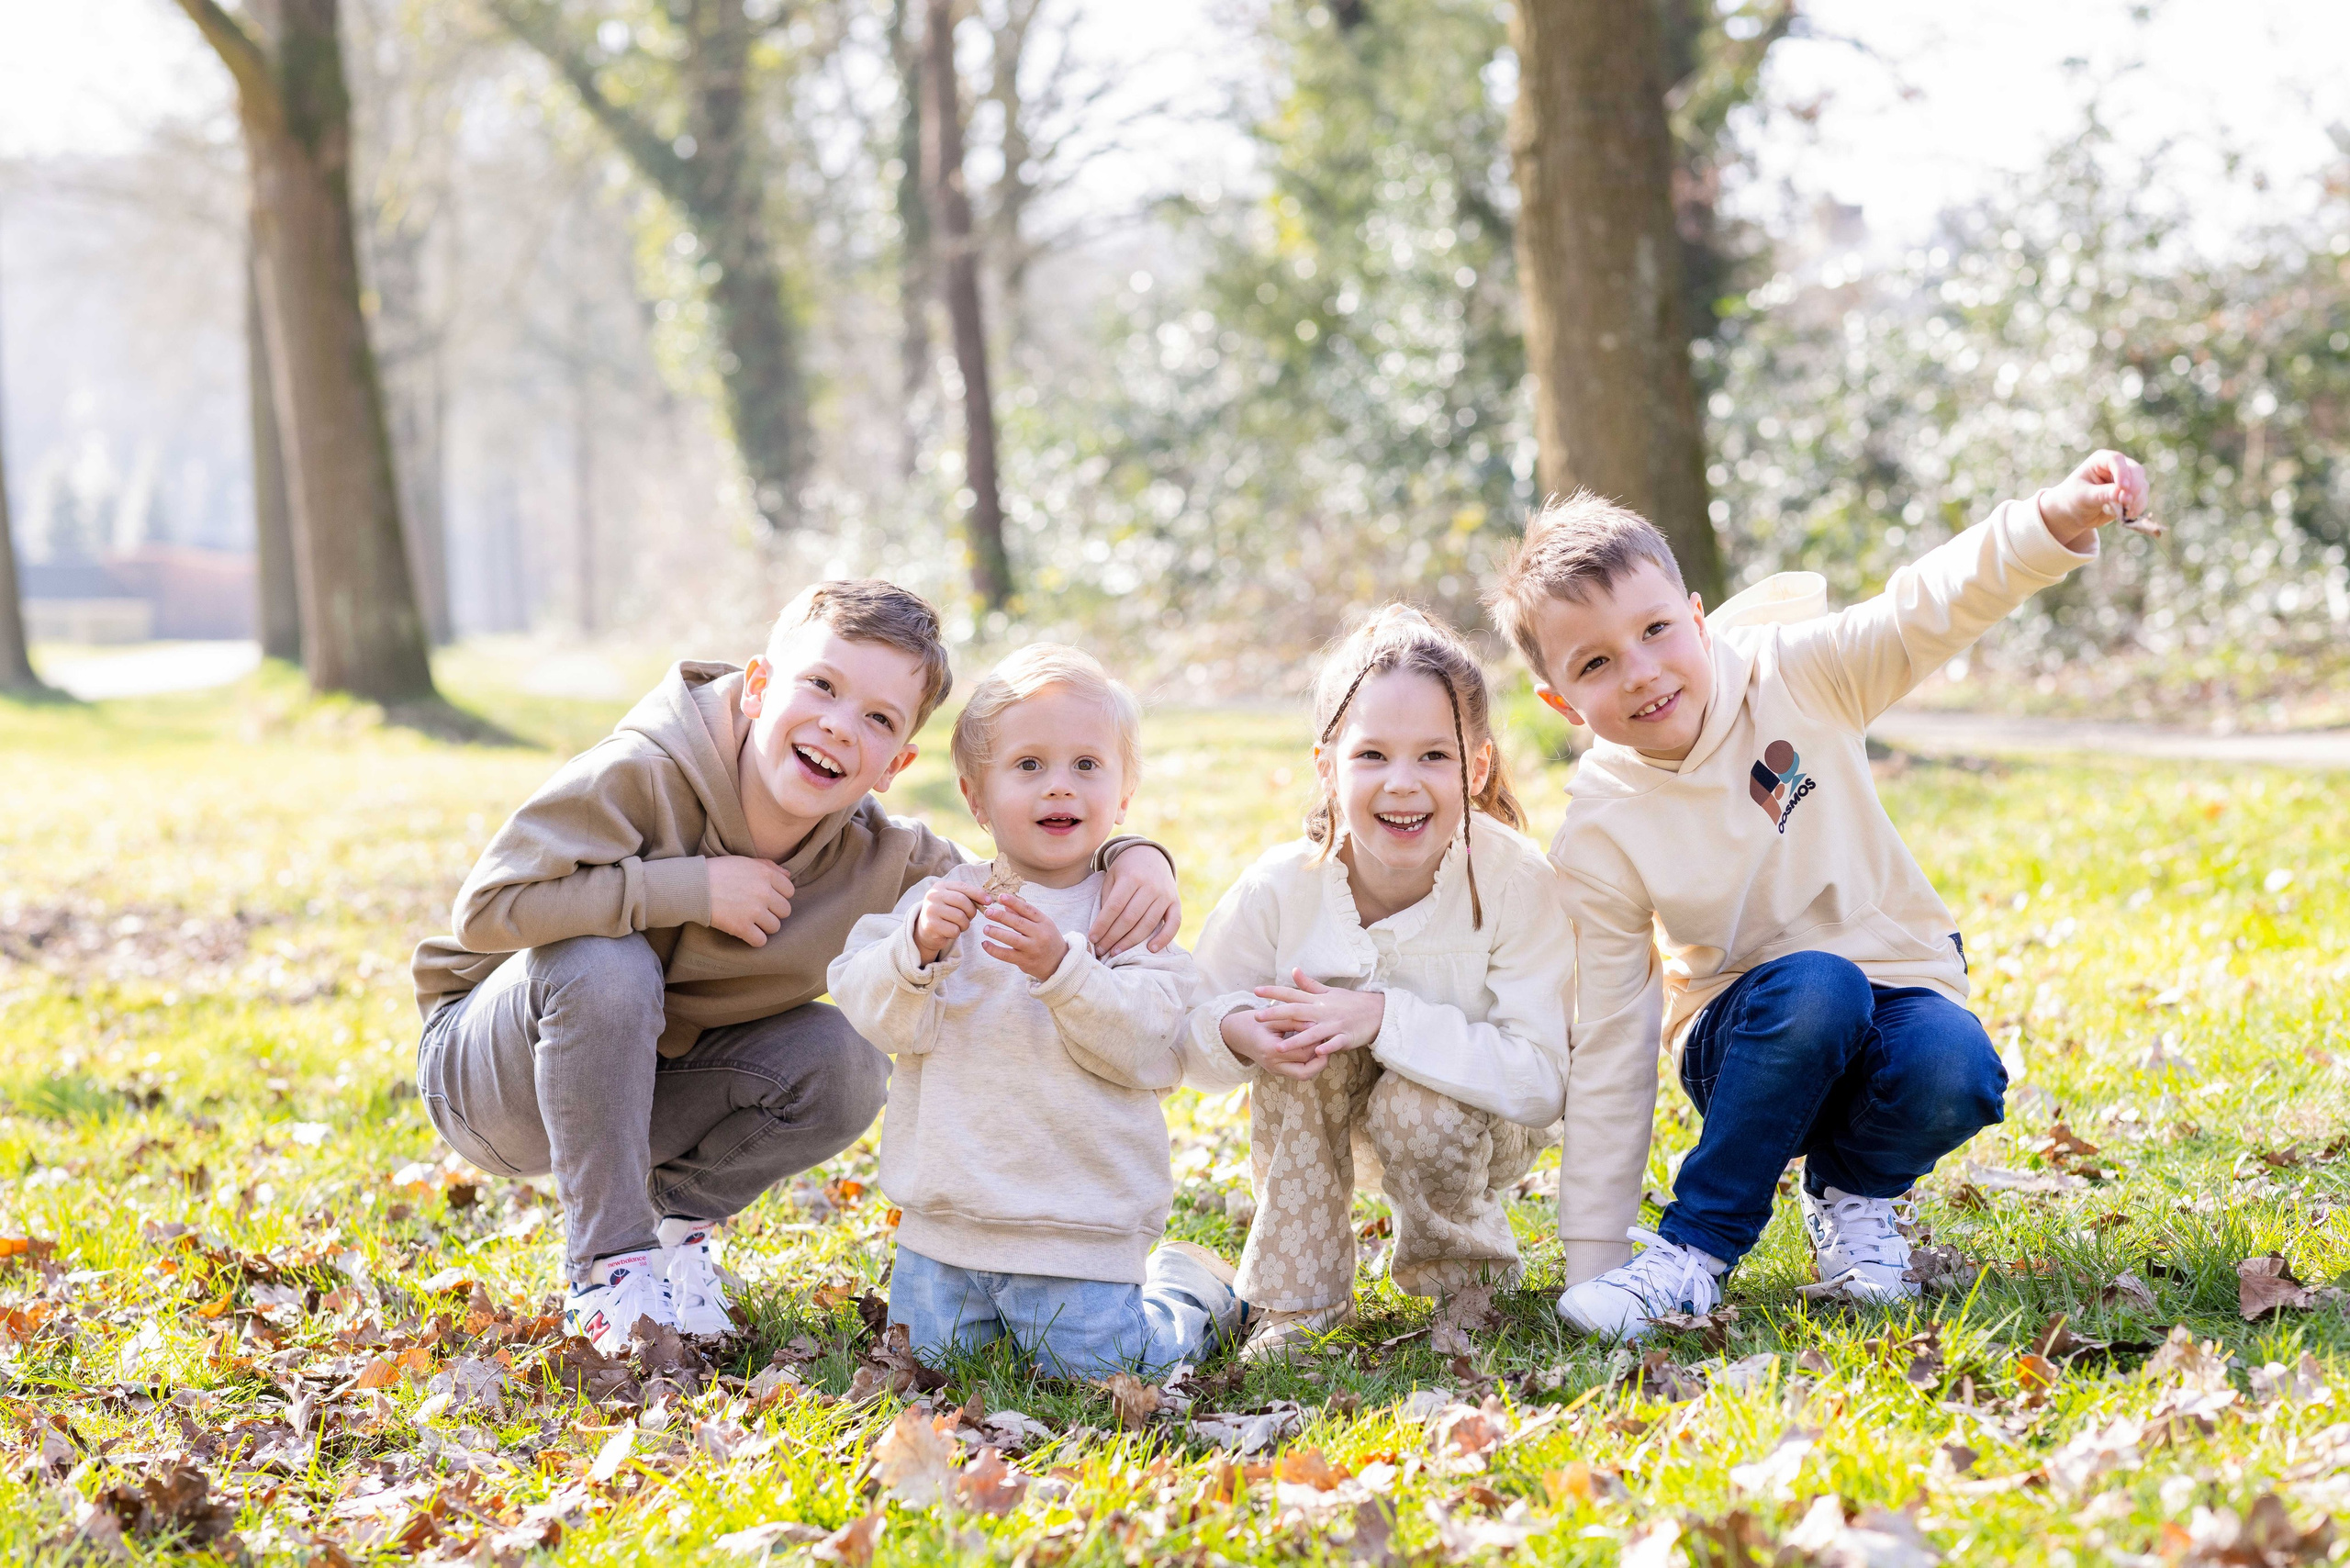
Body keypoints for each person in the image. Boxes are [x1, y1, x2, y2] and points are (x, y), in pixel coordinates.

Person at [409, 583, 1182, 1352]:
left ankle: (675, 1237)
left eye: (877, 719)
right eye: (821, 685)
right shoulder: (642, 769)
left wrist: (1131, 854)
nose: (840, 727)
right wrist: (686, 890)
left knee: (845, 1055)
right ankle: (611, 1270)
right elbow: (486, 909)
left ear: (895, 761)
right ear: (756, 688)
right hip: (494, 1079)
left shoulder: (880, 859)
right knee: (604, 962)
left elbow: (1015, 866)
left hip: (643, 1093)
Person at [1487, 451, 2153, 1338]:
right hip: (1744, 1034)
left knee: (1958, 1067)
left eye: (1655, 632)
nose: (1642, 672)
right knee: (1817, 985)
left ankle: (1855, 1192)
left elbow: (1928, 609)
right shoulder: (1599, 830)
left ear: (1697, 617)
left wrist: (2055, 519)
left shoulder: (1799, 675)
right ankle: (1693, 1254)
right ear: (1561, 702)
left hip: (1895, 986)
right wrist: (1595, 1253)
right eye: (1597, 663)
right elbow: (1612, 1038)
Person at [829, 644, 1244, 1376]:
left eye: (1087, 765)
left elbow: (1155, 1048)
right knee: (926, 1369)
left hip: (1075, 1234)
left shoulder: (1124, 913)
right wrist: (916, 949)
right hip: (944, 1236)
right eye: (1029, 766)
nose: (1060, 788)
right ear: (977, 797)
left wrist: (1063, 971)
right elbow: (872, 1009)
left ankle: (1189, 1292)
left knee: (1113, 1374)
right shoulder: (944, 903)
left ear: (1123, 794)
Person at [1185, 606, 1575, 1361]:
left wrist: (1383, 1016)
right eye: (1373, 756)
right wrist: (1237, 1030)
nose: (1404, 784)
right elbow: (1188, 1038)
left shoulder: (1514, 883)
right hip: (1323, 1124)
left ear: (1480, 767)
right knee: (1304, 1039)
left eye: (1435, 755)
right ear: (1327, 767)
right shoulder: (1279, 888)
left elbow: (1541, 1084)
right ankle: (1299, 1304)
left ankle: (1466, 1284)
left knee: (1418, 1100)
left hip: (1480, 1126)